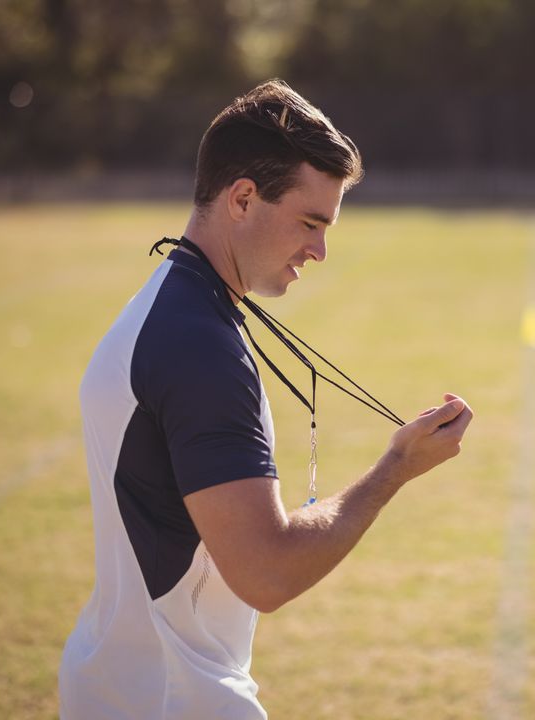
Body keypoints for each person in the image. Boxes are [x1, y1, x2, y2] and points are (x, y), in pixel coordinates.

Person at [58, 79, 473, 719]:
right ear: (244, 199)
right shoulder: (199, 348)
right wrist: (396, 468)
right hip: (178, 701)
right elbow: (266, 572)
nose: (321, 250)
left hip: (119, 687)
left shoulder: (167, 305)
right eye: (311, 222)